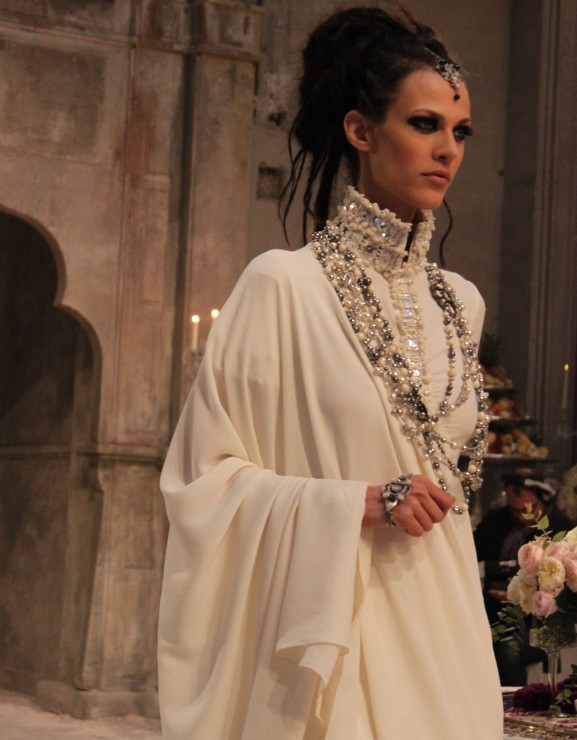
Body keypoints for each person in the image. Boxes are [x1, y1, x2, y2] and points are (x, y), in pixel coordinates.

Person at [158, 5, 503, 738]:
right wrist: (359, 505)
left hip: (448, 640)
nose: (447, 149)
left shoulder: (461, 304)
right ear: (360, 130)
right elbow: (202, 481)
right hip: (337, 639)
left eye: (461, 131)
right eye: (424, 124)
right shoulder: (283, 286)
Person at [474, 469, 573, 686]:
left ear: (541, 498)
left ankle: (514, 703)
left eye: (526, 509)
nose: (520, 516)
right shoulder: (495, 521)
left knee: (509, 652)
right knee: (467, 642)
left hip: (538, 620)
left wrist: (525, 592)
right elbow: (469, 554)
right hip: (491, 609)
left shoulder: (562, 529)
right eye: (514, 509)